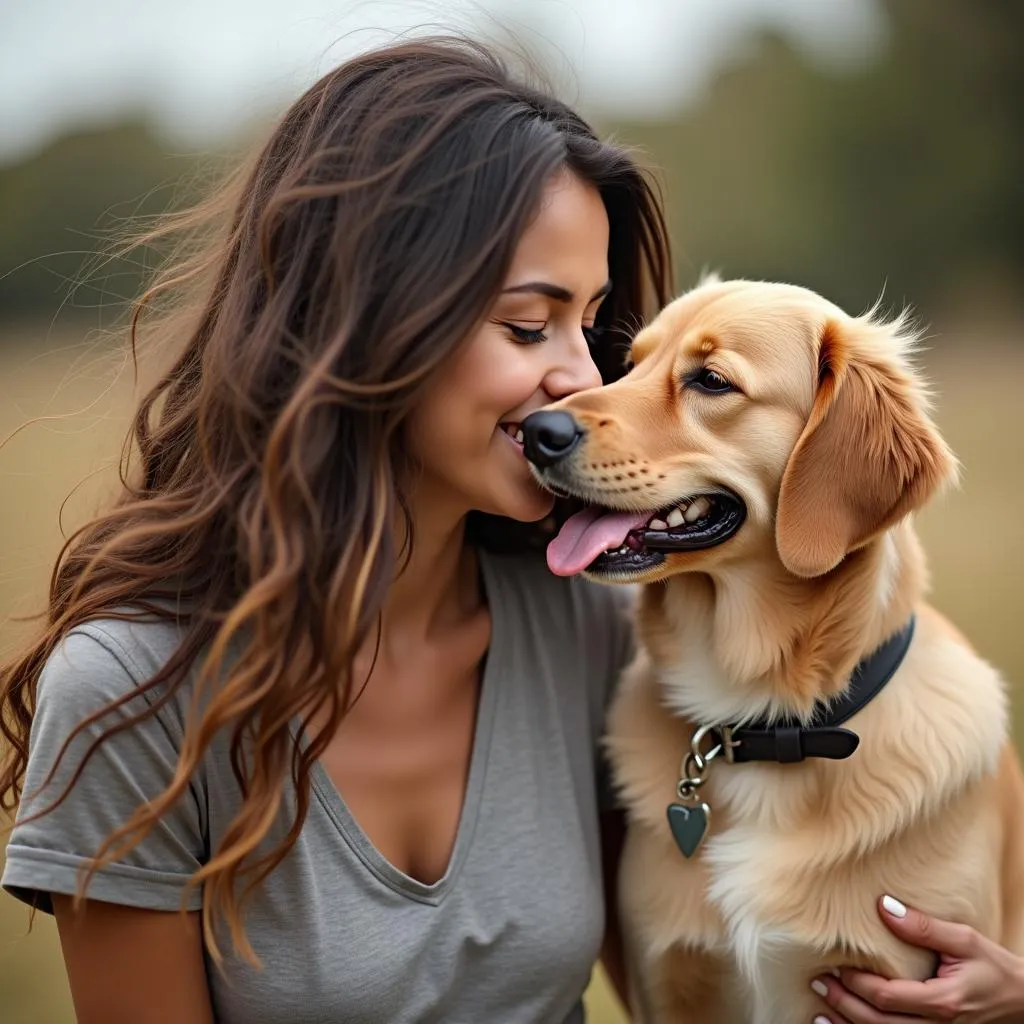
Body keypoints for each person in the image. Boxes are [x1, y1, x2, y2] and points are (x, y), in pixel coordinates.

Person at [1, 35, 1021, 1024]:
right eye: (529, 326)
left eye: (592, 324)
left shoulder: (591, 622)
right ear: (370, 317)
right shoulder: (131, 692)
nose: (585, 380)